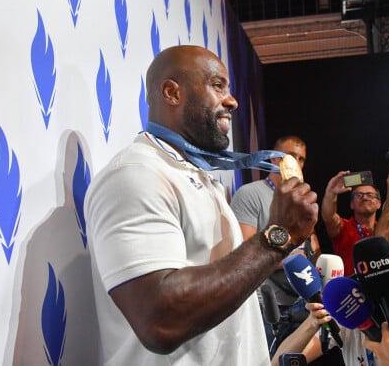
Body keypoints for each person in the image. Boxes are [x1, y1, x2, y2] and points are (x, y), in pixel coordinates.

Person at [83, 45, 320, 365]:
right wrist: (278, 236)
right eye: (217, 85)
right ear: (171, 92)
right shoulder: (135, 175)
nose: (232, 100)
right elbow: (159, 319)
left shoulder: (197, 177)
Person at [230, 135, 321, 355]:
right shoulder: (250, 194)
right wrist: (293, 255)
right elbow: (245, 253)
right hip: (268, 306)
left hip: (301, 302)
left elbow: (312, 247)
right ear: (274, 160)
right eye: (291, 157)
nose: (297, 164)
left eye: (301, 159)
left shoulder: (300, 198)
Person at [321, 171, 381, 276]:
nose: (365, 198)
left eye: (370, 195)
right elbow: (328, 216)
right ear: (352, 204)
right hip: (351, 289)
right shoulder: (343, 227)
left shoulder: (384, 229)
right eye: (359, 195)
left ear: (379, 203)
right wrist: (331, 192)